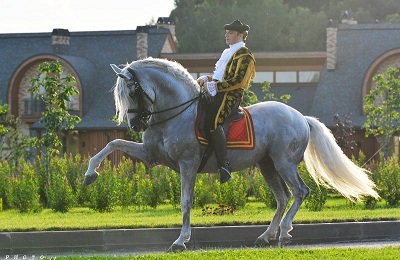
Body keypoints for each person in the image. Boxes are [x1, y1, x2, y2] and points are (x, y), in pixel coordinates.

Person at [197, 19, 256, 183]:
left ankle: (224, 166)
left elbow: (238, 81)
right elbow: (218, 77)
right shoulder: (226, 52)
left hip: (231, 96)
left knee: (213, 122)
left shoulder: (245, 56)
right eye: (226, 32)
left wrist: (215, 87)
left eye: (230, 32)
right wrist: (207, 78)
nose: (226, 35)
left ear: (240, 35)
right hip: (218, 92)